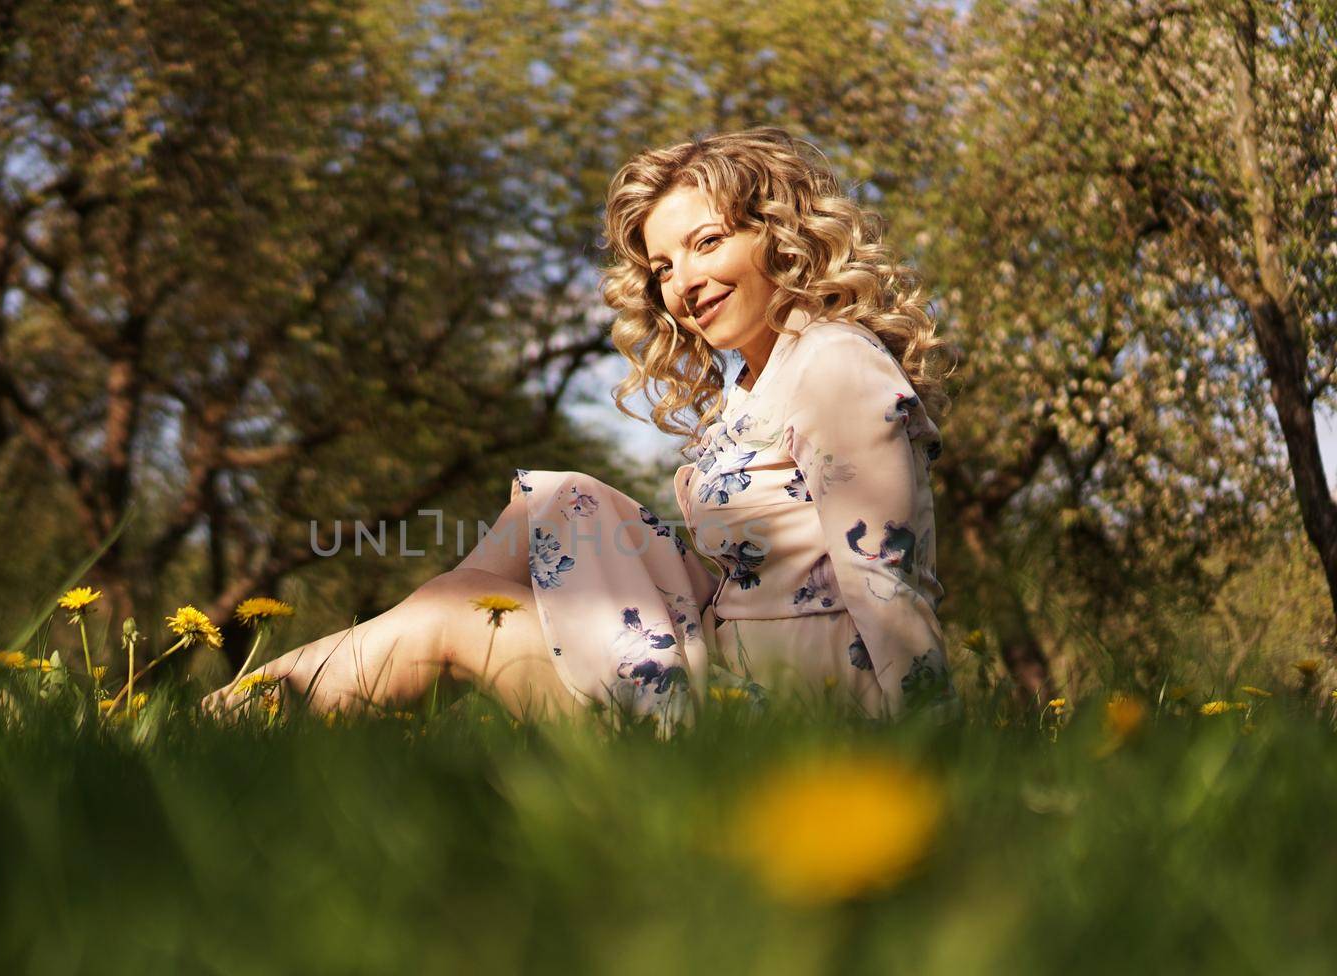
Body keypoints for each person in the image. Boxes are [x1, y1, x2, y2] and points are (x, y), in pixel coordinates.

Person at [205, 126, 953, 730]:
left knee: (451, 617)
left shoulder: (833, 365)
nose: (684, 283)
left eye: (707, 243)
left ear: (780, 237)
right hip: (732, 674)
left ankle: (215, 725)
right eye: (663, 267)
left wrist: (926, 747)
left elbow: (885, 580)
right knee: (547, 504)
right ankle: (292, 713)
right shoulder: (755, 386)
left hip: (791, 721)